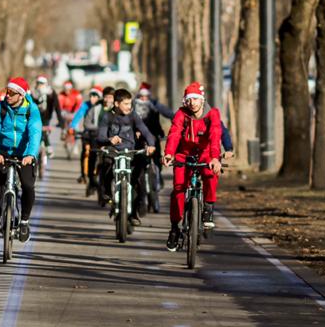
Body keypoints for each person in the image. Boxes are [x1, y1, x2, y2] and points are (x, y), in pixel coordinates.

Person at [163, 81, 222, 251]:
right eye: (189, 100)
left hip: (206, 154)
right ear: (185, 101)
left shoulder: (212, 114)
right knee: (178, 189)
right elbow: (174, 133)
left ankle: (208, 207)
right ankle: (175, 228)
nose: (192, 103)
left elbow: (215, 135)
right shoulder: (181, 114)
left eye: (195, 99)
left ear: (202, 99)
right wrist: (169, 153)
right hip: (184, 154)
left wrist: (215, 158)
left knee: (211, 174)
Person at [0, 76, 42, 242]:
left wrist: (31, 154)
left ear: (21, 95)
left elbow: (35, 132)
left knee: (27, 186)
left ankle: (24, 221)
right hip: (3, 152)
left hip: (25, 153)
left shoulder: (32, 109)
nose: (8, 95)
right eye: (7, 91)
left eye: (12, 93)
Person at [96, 88, 155, 225]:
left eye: (130, 103)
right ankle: (106, 194)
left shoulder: (134, 116)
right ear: (116, 104)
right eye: (126, 104)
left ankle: (134, 212)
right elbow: (100, 136)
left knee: (139, 179)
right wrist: (109, 140)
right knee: (106, 165)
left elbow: (146, 132)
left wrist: (151, 144)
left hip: (131, 152)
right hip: (113, 152)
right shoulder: (107, 116)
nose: (130, 107)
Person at [71, 85, 105, 192]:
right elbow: (78, 116)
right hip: (87, 133)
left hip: (100, 135)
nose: (92, 98)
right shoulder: (85, 105)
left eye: (95, 96)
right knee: (86, 151)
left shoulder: (103, 107)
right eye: (91, 95)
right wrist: (72, 127)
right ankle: (83, 174)